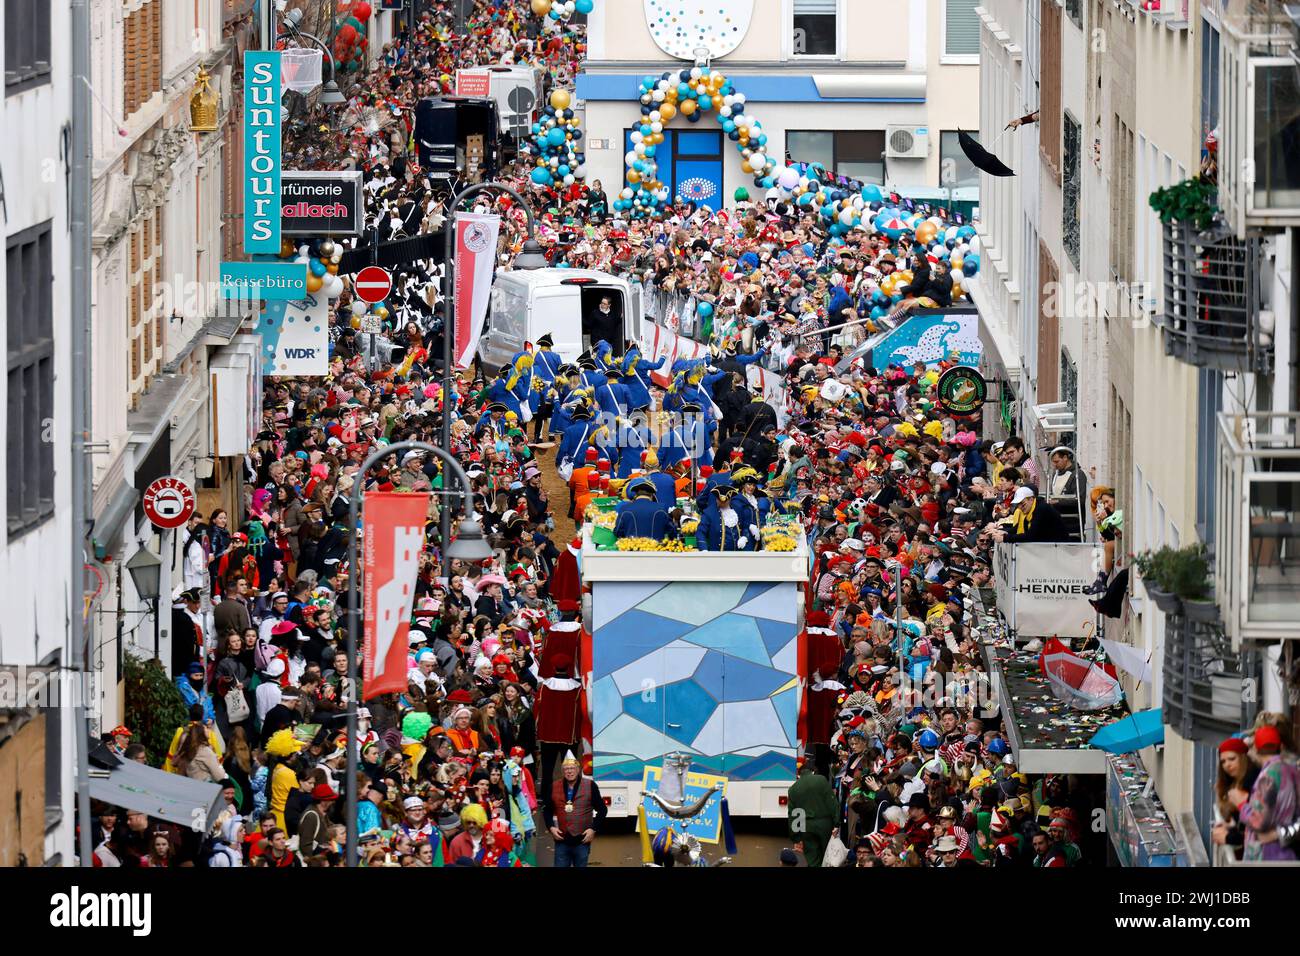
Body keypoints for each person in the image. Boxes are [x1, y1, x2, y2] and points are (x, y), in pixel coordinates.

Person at [1240, 723, 1300, 862]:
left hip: (1266, 856)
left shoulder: (1268, 776)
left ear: (1256, 748)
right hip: (1285, 856)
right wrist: (1280, 834)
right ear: (1280, 747)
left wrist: (1242, 804)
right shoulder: (1292, 771)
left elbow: (1258, 822)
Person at [543, 750, 606, 868]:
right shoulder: (554, 786)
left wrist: (593, 829)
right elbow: (547, 810)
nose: (569, 771)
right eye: (566, 769)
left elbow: (602, 810)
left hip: (582, 841)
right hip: (561, 840)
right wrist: (551, 827)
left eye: (572, 768)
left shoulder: (590, 785)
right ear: (563, 771)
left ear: (578, 769)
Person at [786, 757, 839, 867]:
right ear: (813, 771)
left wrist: (796, 837)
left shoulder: (793, 789)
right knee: (827, 856)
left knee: (813, 859)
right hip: (825, 824)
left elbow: (794, 814)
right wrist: (837, 823)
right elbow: (832, 803)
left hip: (806, 826)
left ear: (799, 774)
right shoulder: (821, 780)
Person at [613, 477, 675, 542]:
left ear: (635, 495)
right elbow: (671, 530)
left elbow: (618, 532)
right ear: (652, 495)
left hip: (632, 549)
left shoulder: (624, 509)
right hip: (656, 549)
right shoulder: (662, 508)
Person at [1045, 445, 1086, 541]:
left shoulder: (1078, 474)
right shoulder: (1055, 474)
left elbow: (1080, 499)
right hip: (1056, 521)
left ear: (1065, 458)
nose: (1055, 465)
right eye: (1053, 462)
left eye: (1056, 461)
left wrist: (1058, 502)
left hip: (1072, 523)